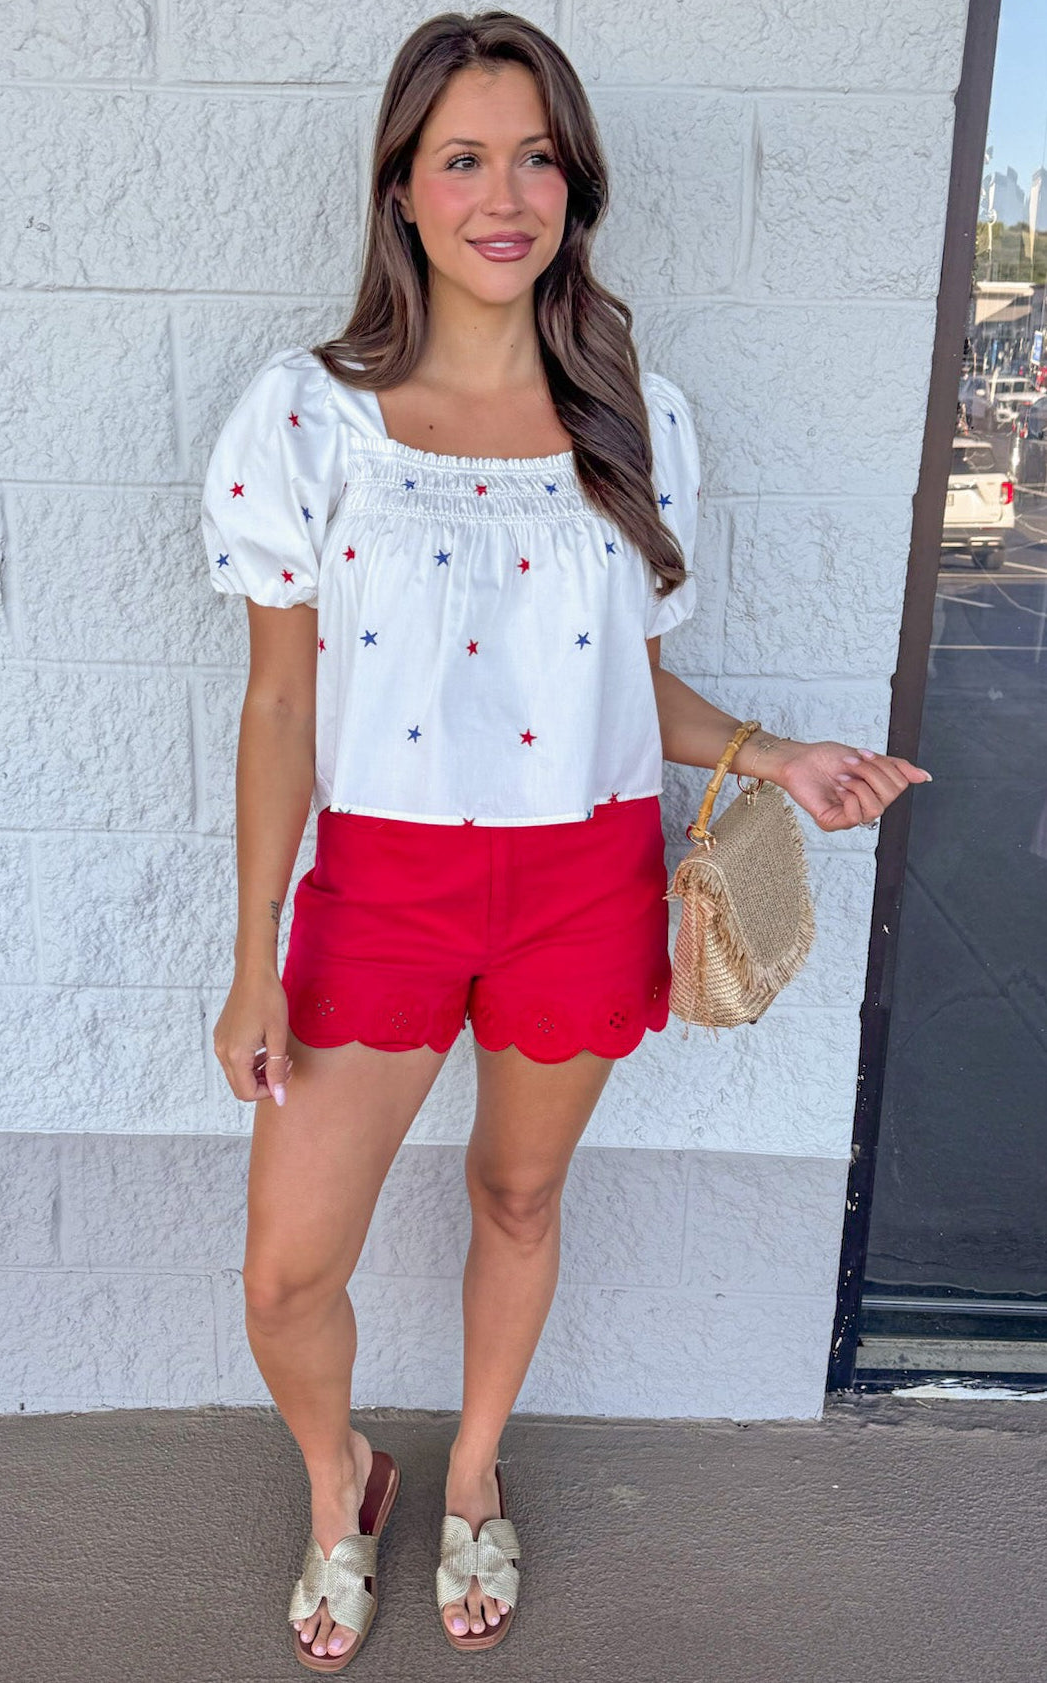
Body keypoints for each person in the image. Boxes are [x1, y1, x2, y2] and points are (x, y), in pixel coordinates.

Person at [200, 11, 931, 1670]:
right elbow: (279, 704)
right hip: (383, 887)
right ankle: (339, 1481)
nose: (503, 194)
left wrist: (778, 756)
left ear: (573, 187)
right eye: (462, 158)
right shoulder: (309, 417)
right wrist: (250, 961)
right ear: (400, 188)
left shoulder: (632, 416)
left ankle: (470, 1472)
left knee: (518, 1197)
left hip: (582, 878)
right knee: (284, 1276)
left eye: (536, 158)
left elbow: (617, 682)